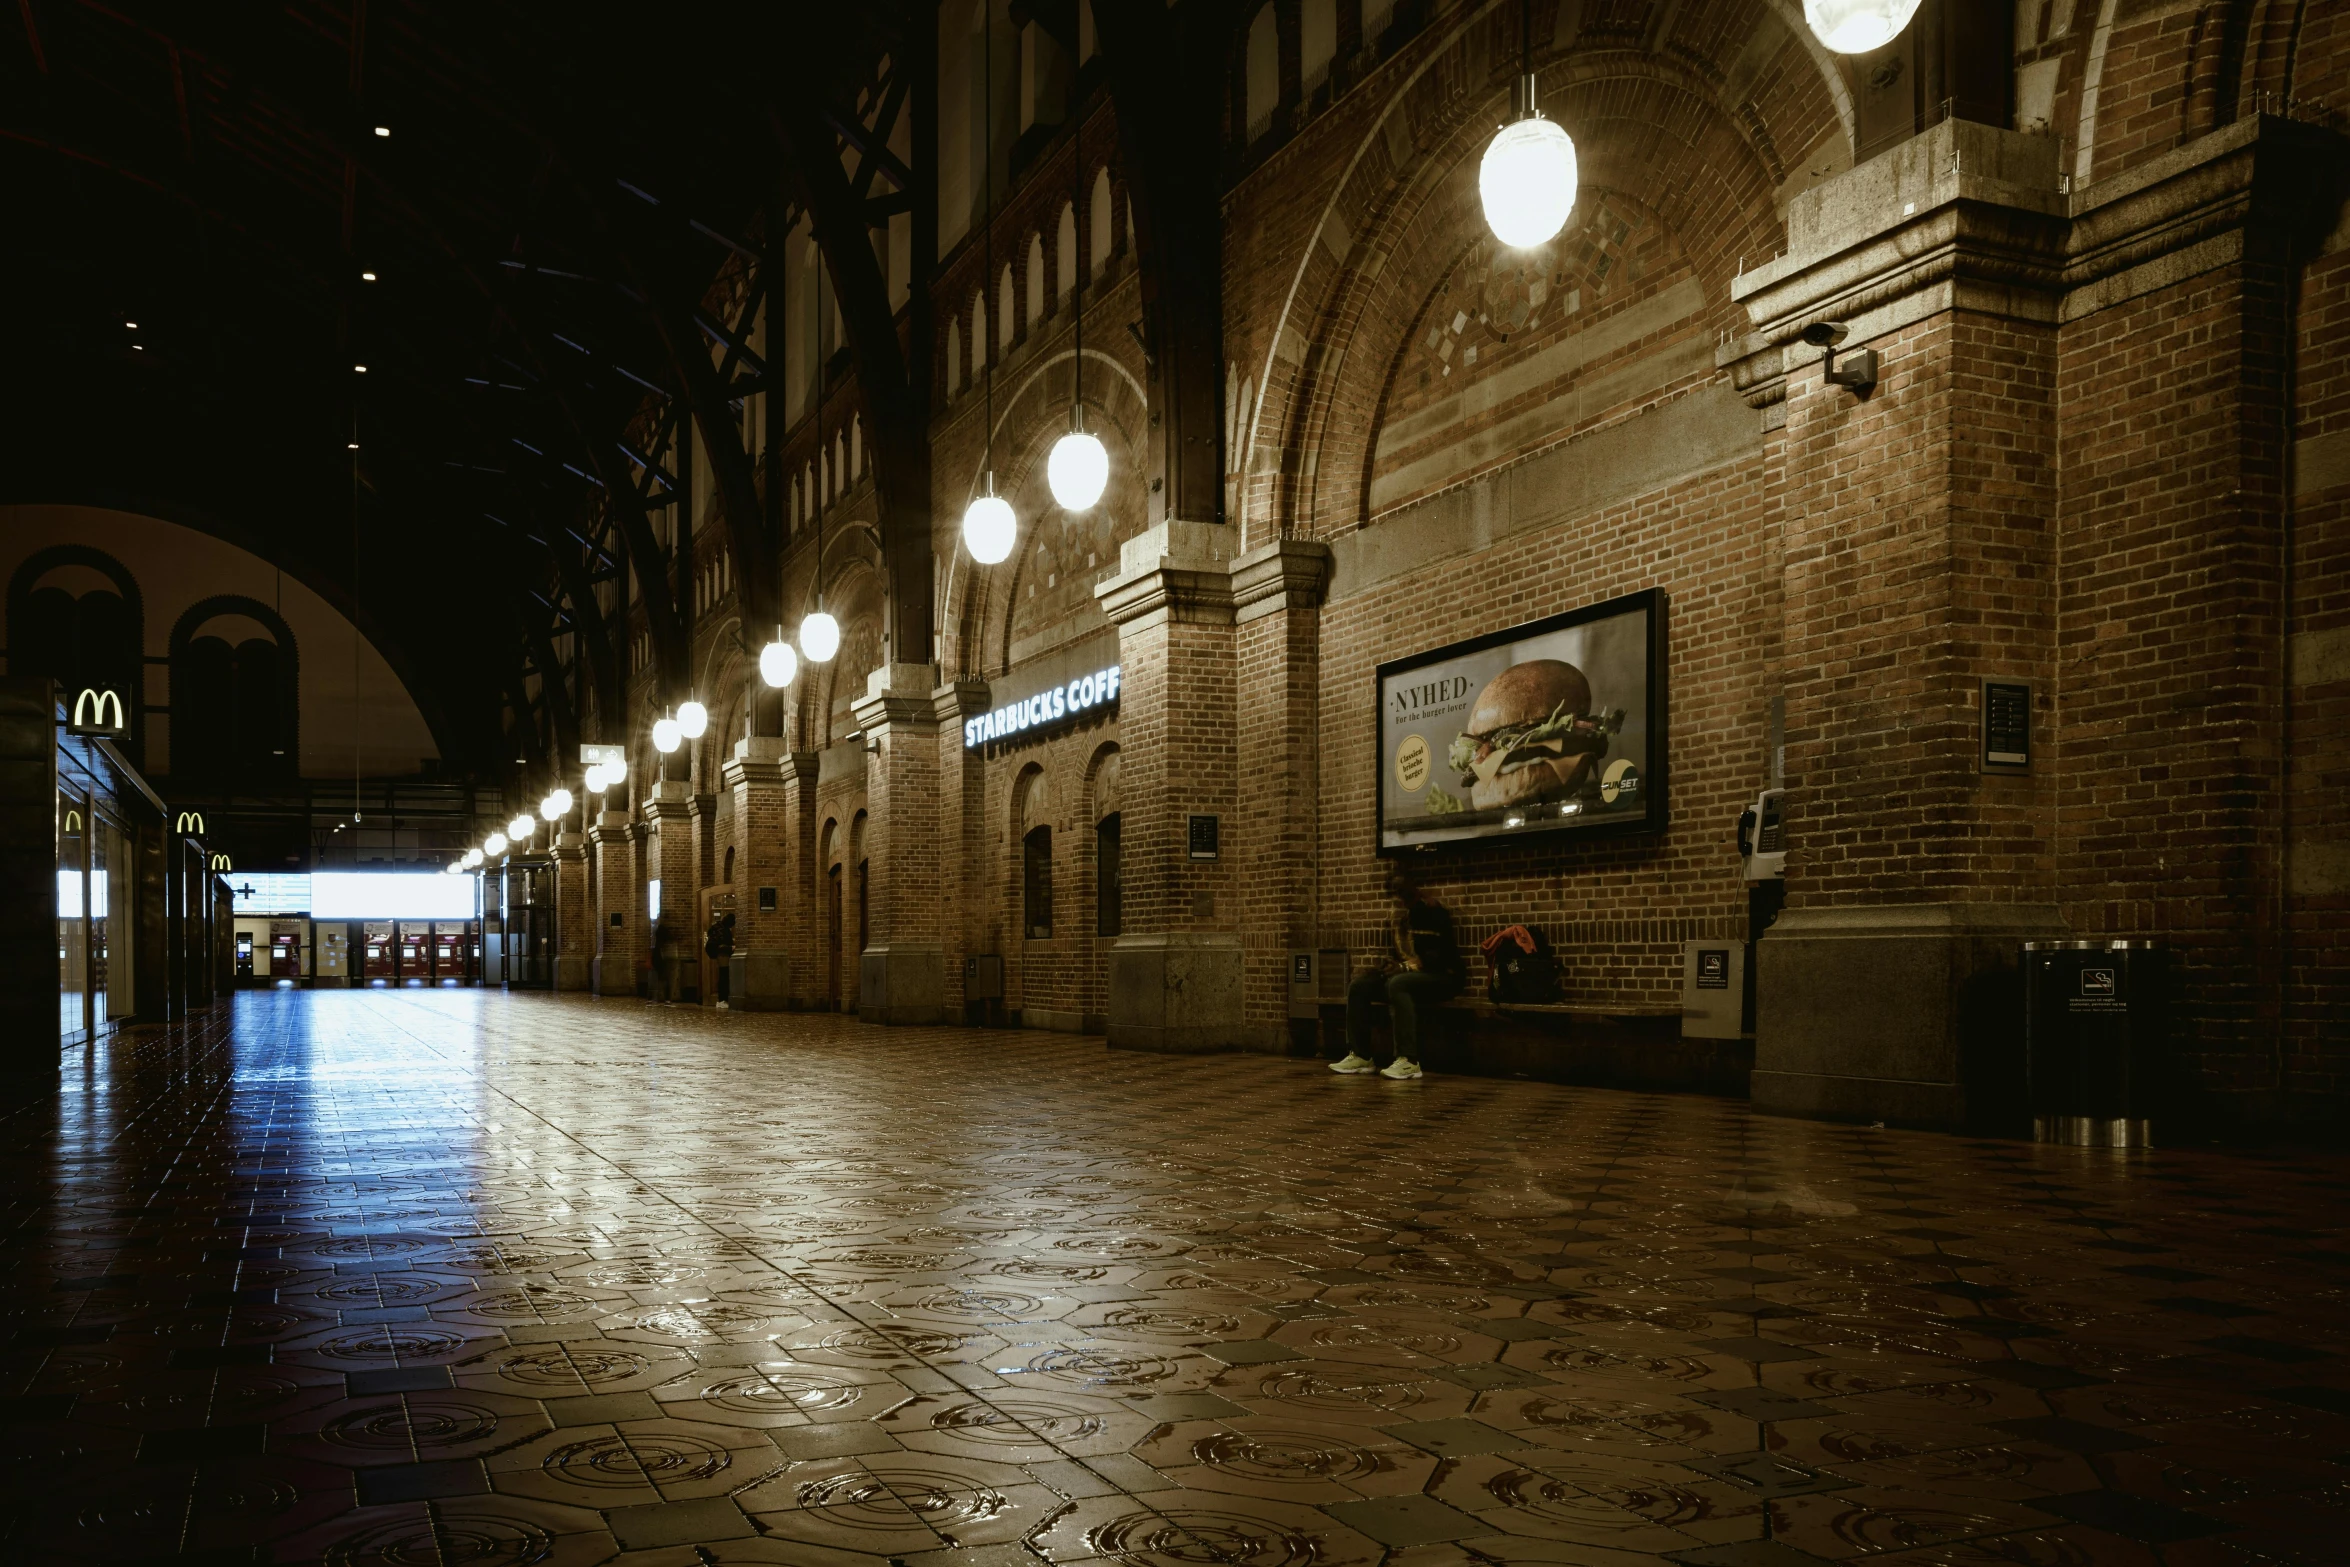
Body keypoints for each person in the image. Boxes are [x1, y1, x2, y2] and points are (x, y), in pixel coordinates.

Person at [1333, 870, 1462, 1081]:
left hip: (1443, 977)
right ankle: (1361, 1056)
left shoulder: (1433, 912)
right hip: (1409, 977)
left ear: (1415, 891)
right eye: (1395, 894)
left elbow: (1438, 957)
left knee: (1398, 984)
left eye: (1404, 894)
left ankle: (1409, 1061)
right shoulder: (1398, 919)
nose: (1400, 899)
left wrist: (1403, 969)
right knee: (1359, 986)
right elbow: (1401, 956)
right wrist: (1386, 967)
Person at [705, 909, 735, 1008]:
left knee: (723, 976)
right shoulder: (724, 930)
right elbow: (722, 944)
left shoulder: (717, 927)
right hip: (723, 955)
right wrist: (731, 947)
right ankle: (723, 999)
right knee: (724, 977)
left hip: (718, 955)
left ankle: (721, 1000)